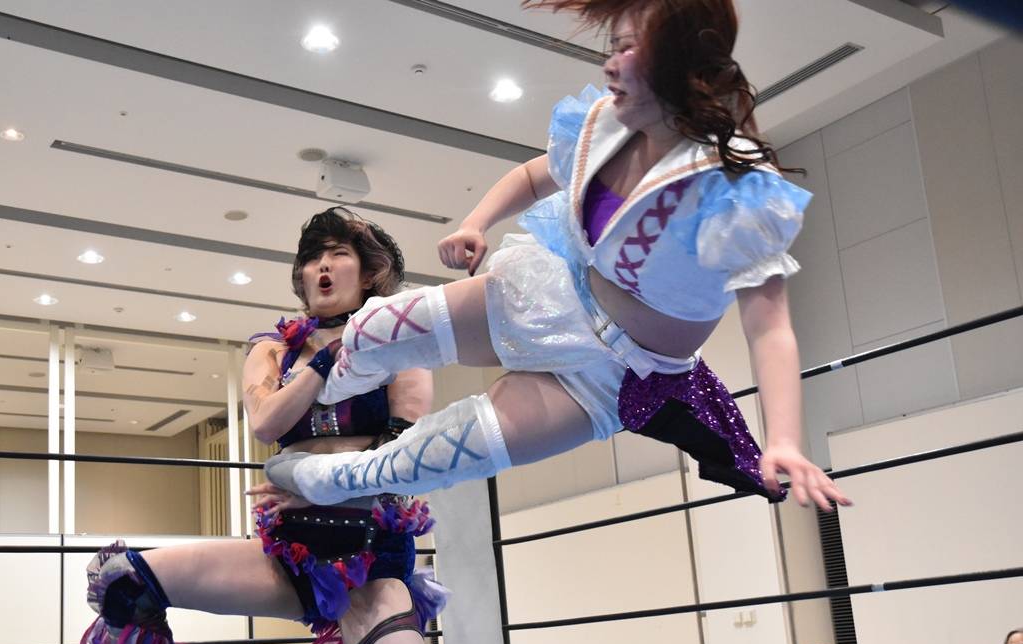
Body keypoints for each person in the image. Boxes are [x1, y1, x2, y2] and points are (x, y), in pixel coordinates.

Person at [259, 0, 851, 517]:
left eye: (629, 49)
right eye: (613, 46)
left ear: (681, 65)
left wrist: (785, 439)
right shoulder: (606, 122)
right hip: (553, 293)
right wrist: (475, 222)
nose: (610, 65)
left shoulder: (733, 187)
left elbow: (770, 327)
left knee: (424, 461)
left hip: (614, 372)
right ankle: (328, 396)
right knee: (373, 329)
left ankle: (319, 479)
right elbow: (533, 176)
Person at [79, 208, 473, 644]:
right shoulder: (272, 349)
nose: (322, 267)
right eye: (312, 258)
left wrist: (312, 481)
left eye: (337, 254)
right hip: (289, 555)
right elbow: (266, 422)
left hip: (369, 560)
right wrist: (323, 362)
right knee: (120, 580)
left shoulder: (396, 339)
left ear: (368, 273)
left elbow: (399, 453)